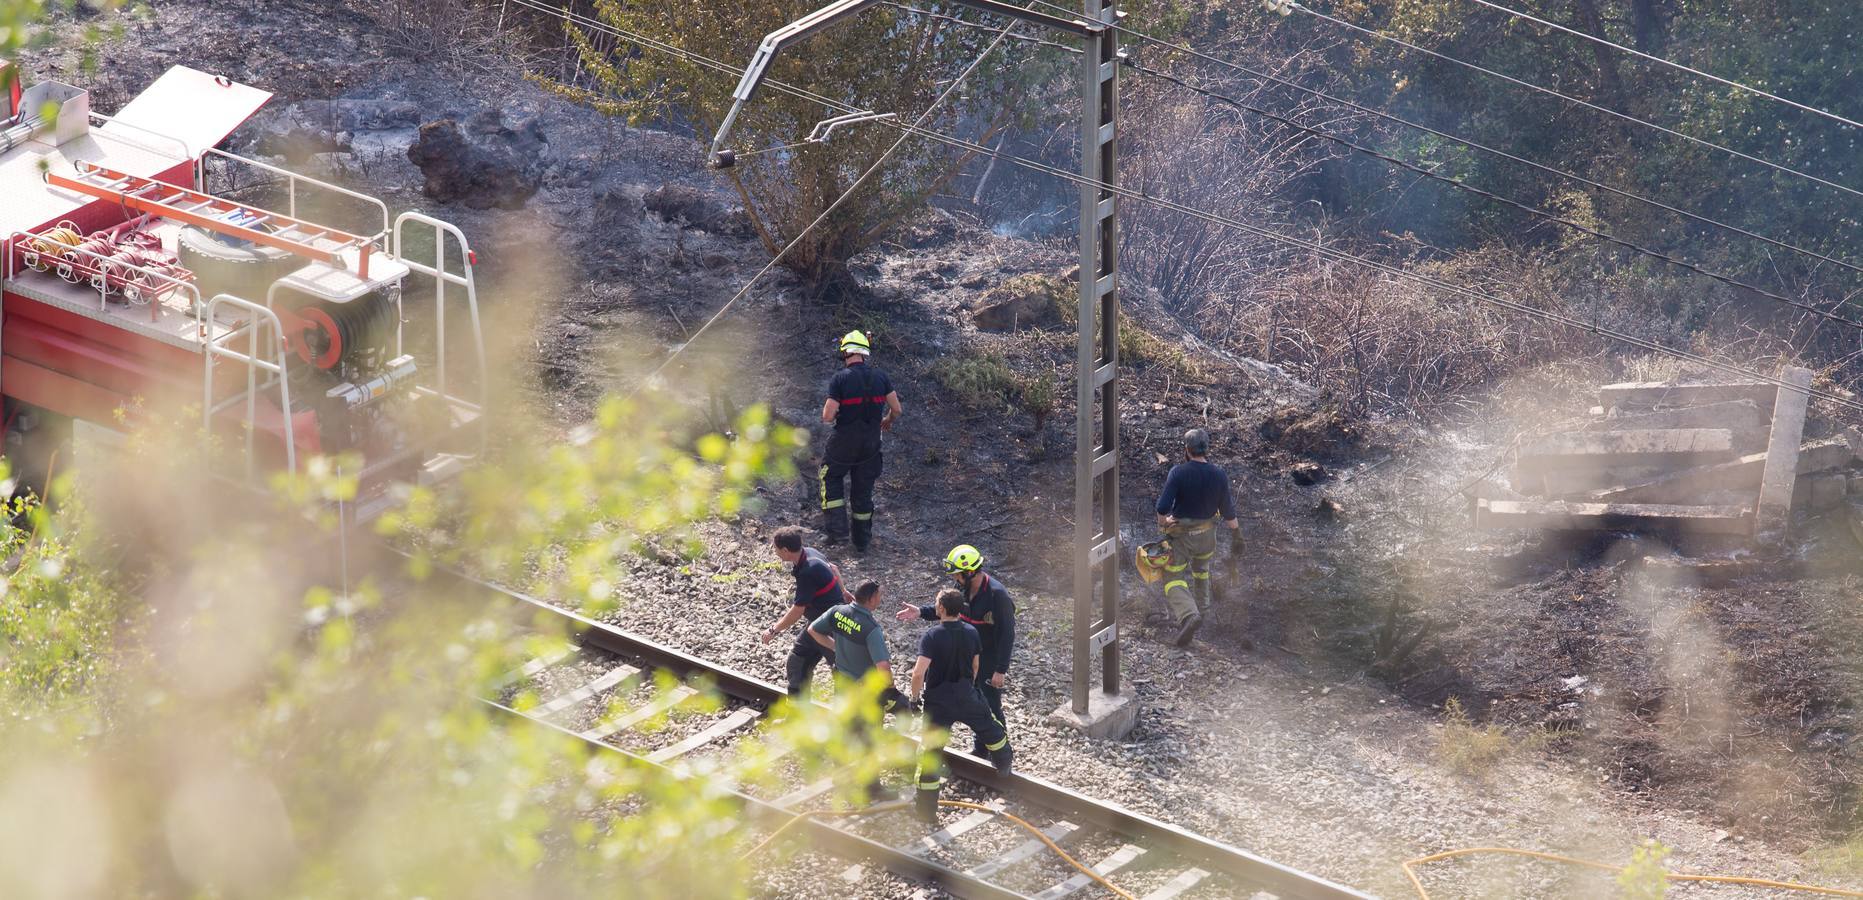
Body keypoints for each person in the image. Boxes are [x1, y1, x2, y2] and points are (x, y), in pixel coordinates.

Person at [895, 544, 1014, 757]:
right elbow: (948, 611)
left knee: (989, 705)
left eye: (957, 574)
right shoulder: (962, 587)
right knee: (974, 701)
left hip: (987, 658)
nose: (955, 579)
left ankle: (998, 751)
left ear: (970, 572)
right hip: (967, 653)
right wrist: (921, 612)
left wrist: (1000, 670)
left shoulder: (998, 596)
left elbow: (1007, 635)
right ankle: (981, 750)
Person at [909, 588, 1011, 824]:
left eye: (936, 603)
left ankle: (926, 812)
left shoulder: (932, 636)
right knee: (990, 728)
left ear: (942, 608)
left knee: (931, 755)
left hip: (938, 702)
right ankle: (1003, 764)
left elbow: (918, 674)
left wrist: (915, 700)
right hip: (966, 694)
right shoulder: (971, 632)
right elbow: (976, 665)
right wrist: (970, 687)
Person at [809, 580, 905, 801]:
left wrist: (836, 647)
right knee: (868, 737)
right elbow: (883, 667)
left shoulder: (837, 612)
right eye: (880, 595)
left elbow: (813, 630)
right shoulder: (871, 629)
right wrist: (891, 689)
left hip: (842, 683)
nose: (881, 598)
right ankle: (872, 788)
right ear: (871, 599)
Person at [1154, 428, 1241, 647]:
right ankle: (1202, 612)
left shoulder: (1178, 472)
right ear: (1206, 449)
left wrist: (1164, 523)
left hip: (1183, 537)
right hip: (1207, 537)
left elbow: (1163, 507)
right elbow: (1228, 511)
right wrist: (1237, 535)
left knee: (1172, 576)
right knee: (1201, 572)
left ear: (1187, 450)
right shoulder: (1219, 474)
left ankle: (1188, 614)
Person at [819, 330, 901, 552]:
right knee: (863, 490)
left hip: (843, 441)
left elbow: (827, 417)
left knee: (831, 477)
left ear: (845, 352)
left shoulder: (840, 378)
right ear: (864, 353)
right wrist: (887, 420)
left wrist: (838, 413)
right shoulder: (881, 377)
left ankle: (838, 535)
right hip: (872, 444)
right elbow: (896, 409)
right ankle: (862, 541)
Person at [761, 526, 855, 699]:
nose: (774, 551)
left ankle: (846, 721)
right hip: (818, 623)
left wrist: (773, 630)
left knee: (843, 675)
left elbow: (797, 611)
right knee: (798, 660)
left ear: (785, 550)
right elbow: (833, 568)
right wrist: (843, 591)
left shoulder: (807, 572)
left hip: (831, 627)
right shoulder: (810, 552)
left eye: (775, 548)